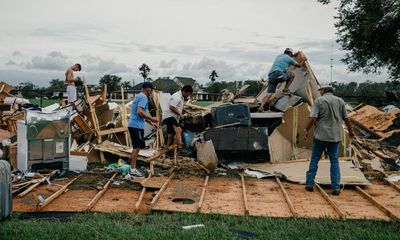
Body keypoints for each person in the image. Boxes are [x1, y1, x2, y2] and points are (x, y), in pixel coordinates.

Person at [303, 84, 354, 195]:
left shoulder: (319, 101)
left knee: (315, 159)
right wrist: (351, 131)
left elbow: (313, 117)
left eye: (321, 90)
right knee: (334, 161)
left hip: (320, 136)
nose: (320, 92)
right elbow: (347, 118)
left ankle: (310, 184)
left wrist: (306, 129)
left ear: (324, 90)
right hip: (334, 137)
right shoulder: (340, 101)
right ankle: (336, 187)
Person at [128, 82, 159, 177]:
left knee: (137, 147)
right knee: (136, 147)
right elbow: (140, 112)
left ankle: (132, 168)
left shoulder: (139, 96)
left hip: (134, 125)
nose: (151, 92)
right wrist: (152, 118)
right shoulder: (143, 97)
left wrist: (151, 122)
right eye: (151, 89)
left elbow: (141, 114)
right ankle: (132, 170)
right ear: (147, 89)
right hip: (136, 126)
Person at [162, 85, 193, 152]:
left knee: (171, 134)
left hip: (170, 116)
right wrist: (181, 115)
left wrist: (186, 111)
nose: (188, 96)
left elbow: (178, 108)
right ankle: (180, 146)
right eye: (188, 94)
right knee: (179, 130)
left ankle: (166, 150)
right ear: (184, 91)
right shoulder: (177, 96)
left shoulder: (181, 97)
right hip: (169, 116)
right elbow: (172, 107)